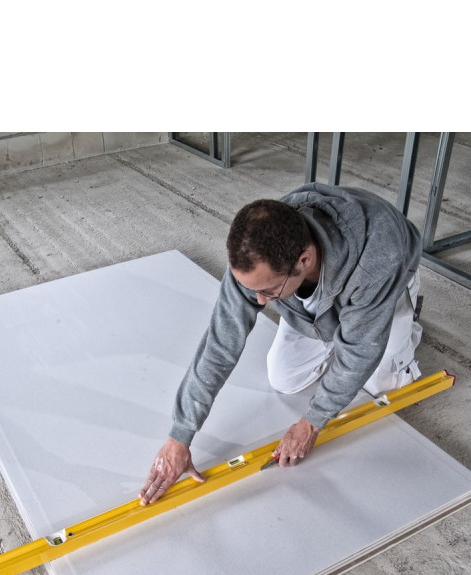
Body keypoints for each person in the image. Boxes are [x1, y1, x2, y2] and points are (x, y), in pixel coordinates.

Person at [139, 182, 423, 506]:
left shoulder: (376, 259)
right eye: (254, 290)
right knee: (284, 378)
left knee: (383, 385)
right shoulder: (257, 253)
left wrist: (311, 424)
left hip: (384, 286)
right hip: (315, 302)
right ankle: (333, 331)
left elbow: (360, 351)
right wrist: (180, 435)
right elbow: (220, 344)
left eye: (268, 292)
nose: (259, 301)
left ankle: (403, 321)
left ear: (304, 260)